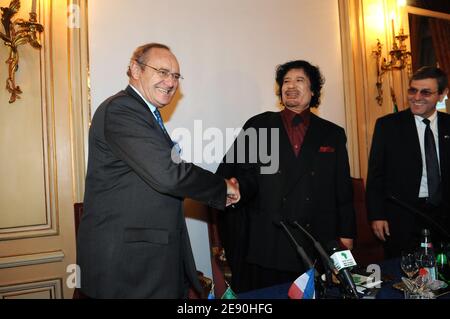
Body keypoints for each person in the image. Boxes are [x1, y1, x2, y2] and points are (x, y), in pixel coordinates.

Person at [76, 43, 240, 298]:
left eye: (175, 76)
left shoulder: (145, 114)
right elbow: (169, 174)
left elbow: (168, 172)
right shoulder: (122, 110)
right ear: (135, 70)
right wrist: (221, 187)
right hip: (128, 266)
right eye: (162, 72)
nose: (171, 82)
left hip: (149, 258)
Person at [216, 60, 356, 292]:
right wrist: (232, 186)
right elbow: (236, 175)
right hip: (269, 239)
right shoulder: (259, 125)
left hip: (315, 238)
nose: (291, 86)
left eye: (299, 80)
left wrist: (347, 234)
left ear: (313, 91)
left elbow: (342, 188)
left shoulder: (332, 133)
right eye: (286, 81)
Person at [366, 66, 450, 258]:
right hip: (403, 215)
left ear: (442, 94)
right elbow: (376, 174)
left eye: (425, 92)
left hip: (444, 215)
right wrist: (377, 215)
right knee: (404, 273)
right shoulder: (388, 125)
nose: (416, 97)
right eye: (412, 90)